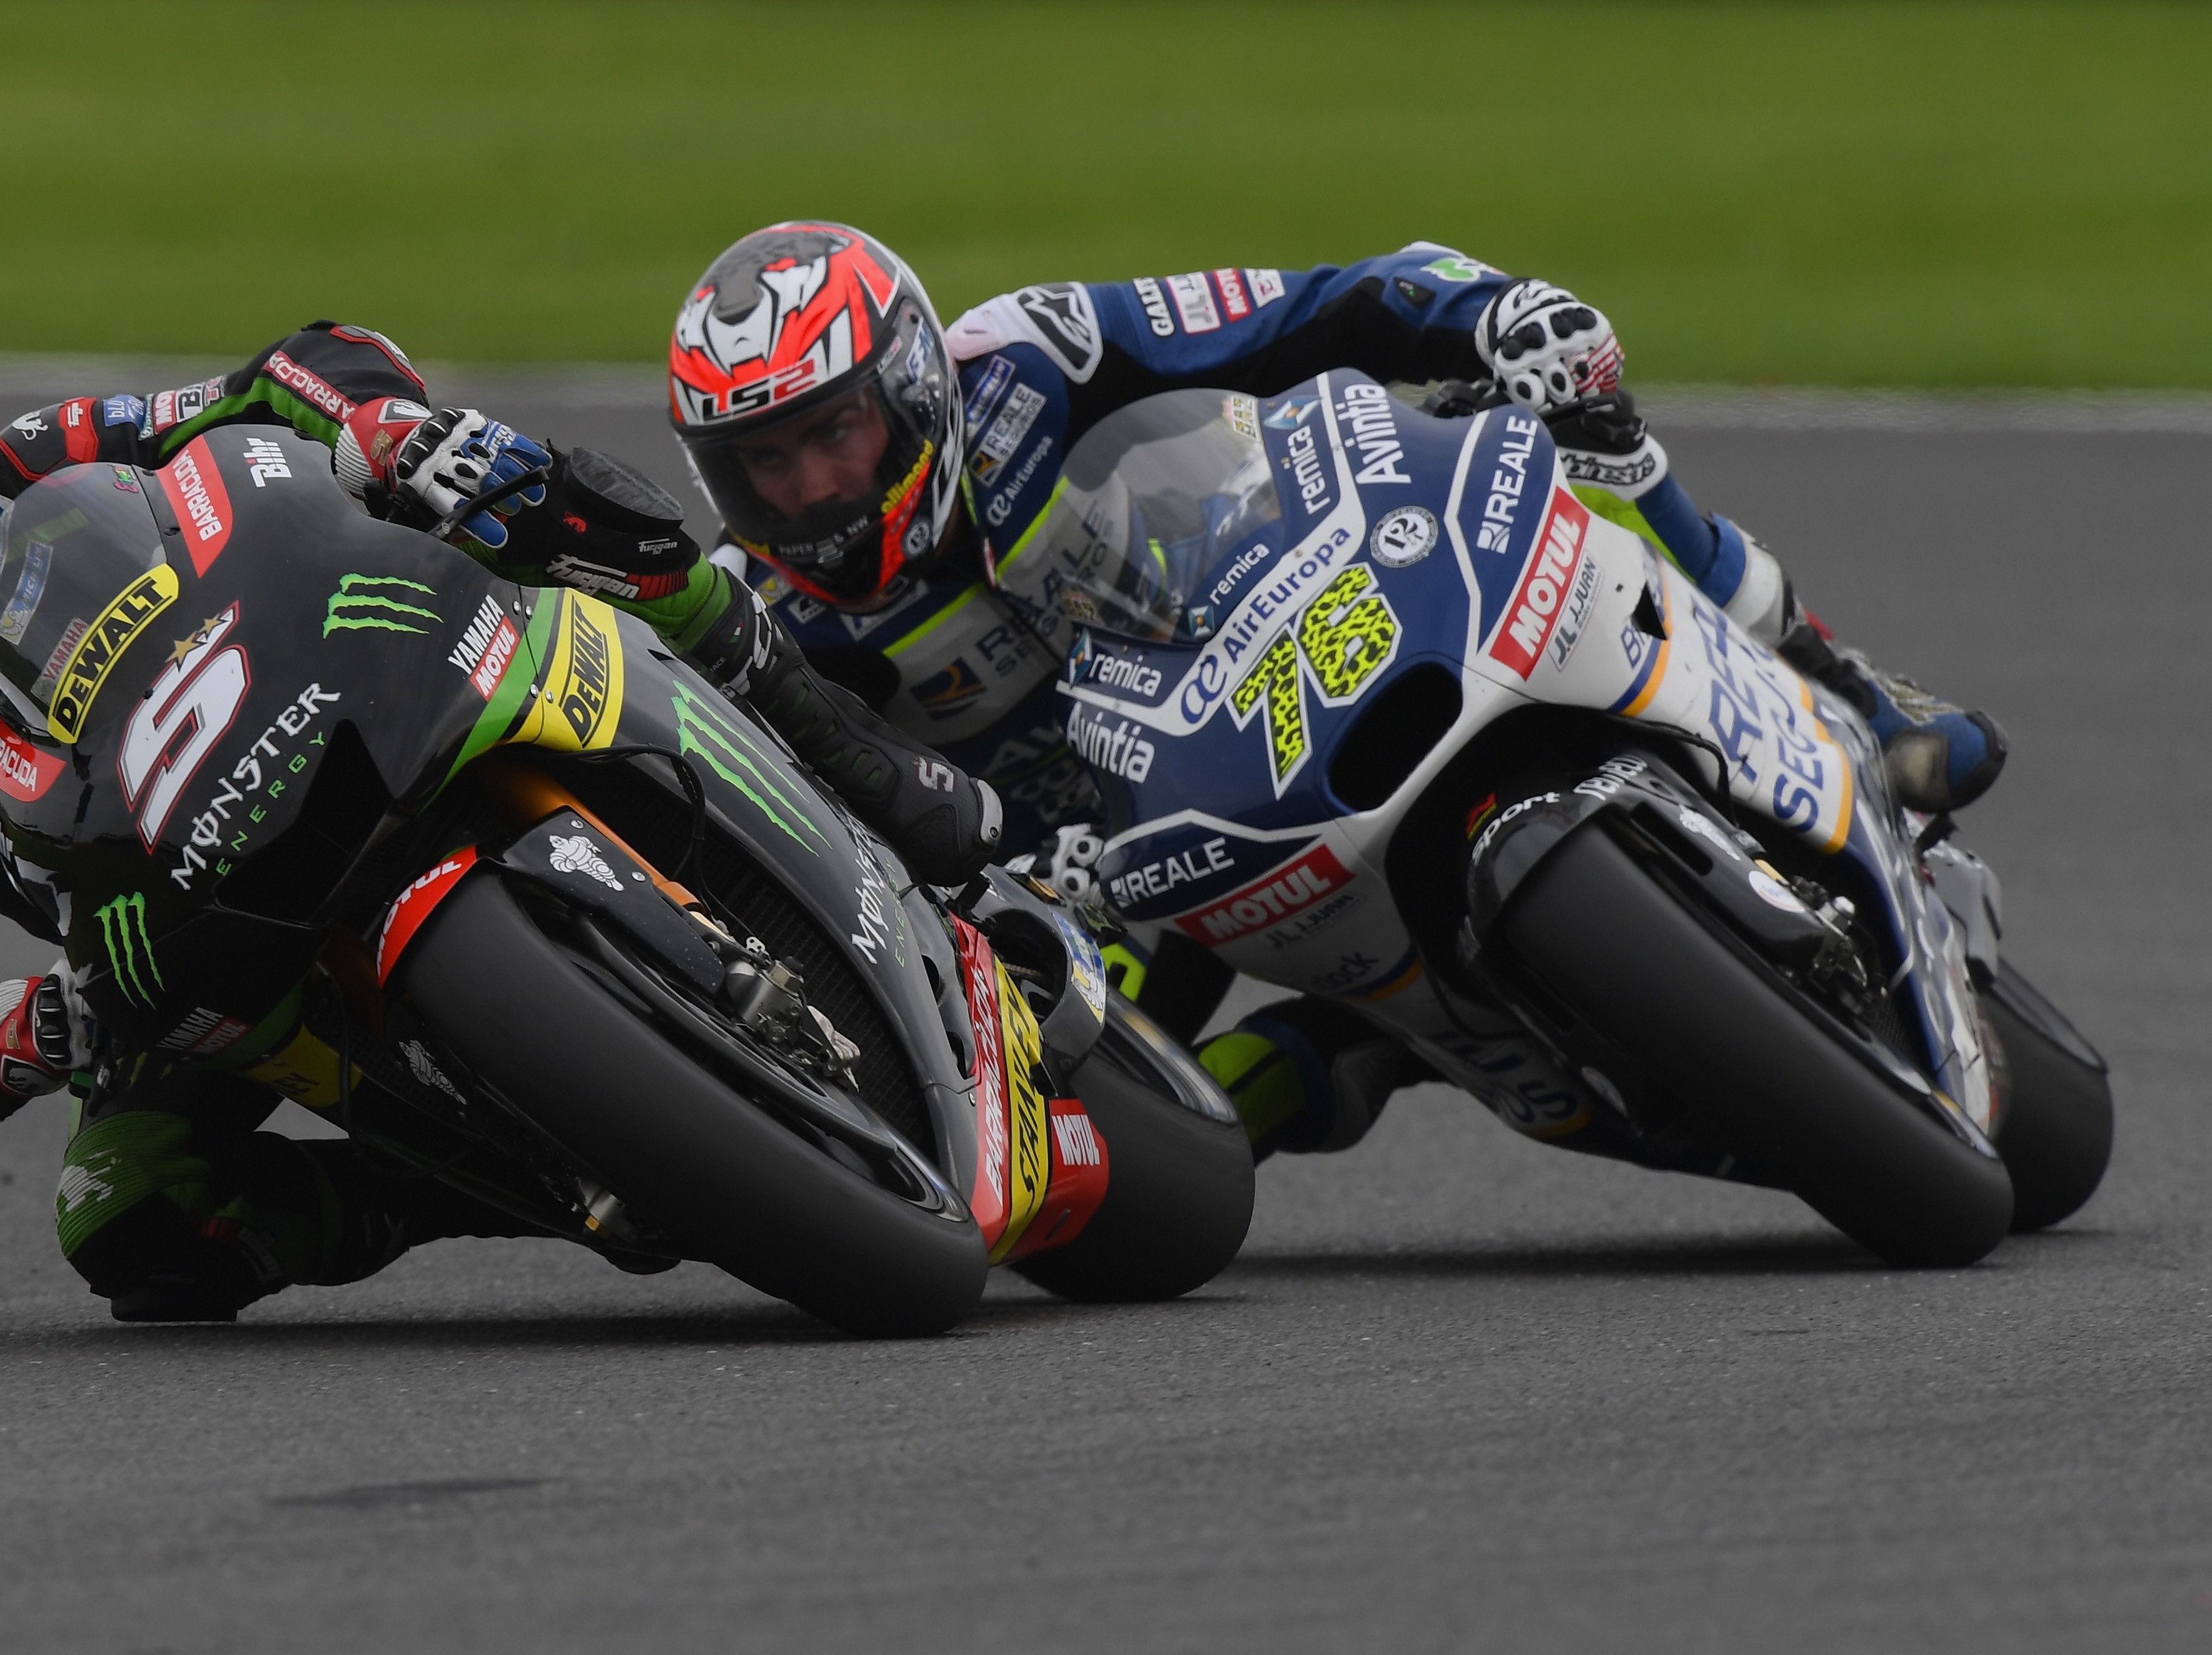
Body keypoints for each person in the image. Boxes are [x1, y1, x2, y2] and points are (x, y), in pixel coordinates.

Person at [0, 327, 997, 1321]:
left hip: (336, 688)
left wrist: (388, 427)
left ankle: (837, 752)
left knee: (539, 500)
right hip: (161, 942)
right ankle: (502, 1178)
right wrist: (24, 1033)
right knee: (127, 1228)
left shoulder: (36, 469)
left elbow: (278, 370)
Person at [664, 221, 2007, 1161]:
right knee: (1124, 1130)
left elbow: (1317, 304)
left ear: (905, 386)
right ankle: (1359, 1052)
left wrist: (1491, 310)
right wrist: (1012, 881)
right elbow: (830, 835)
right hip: (1118, 855)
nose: (810, 492)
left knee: (1577, 422)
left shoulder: (1032, 355)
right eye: (763, 465)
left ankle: (1844, 684)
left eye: (830, 434)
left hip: (1273, 629)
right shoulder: (766, 619)